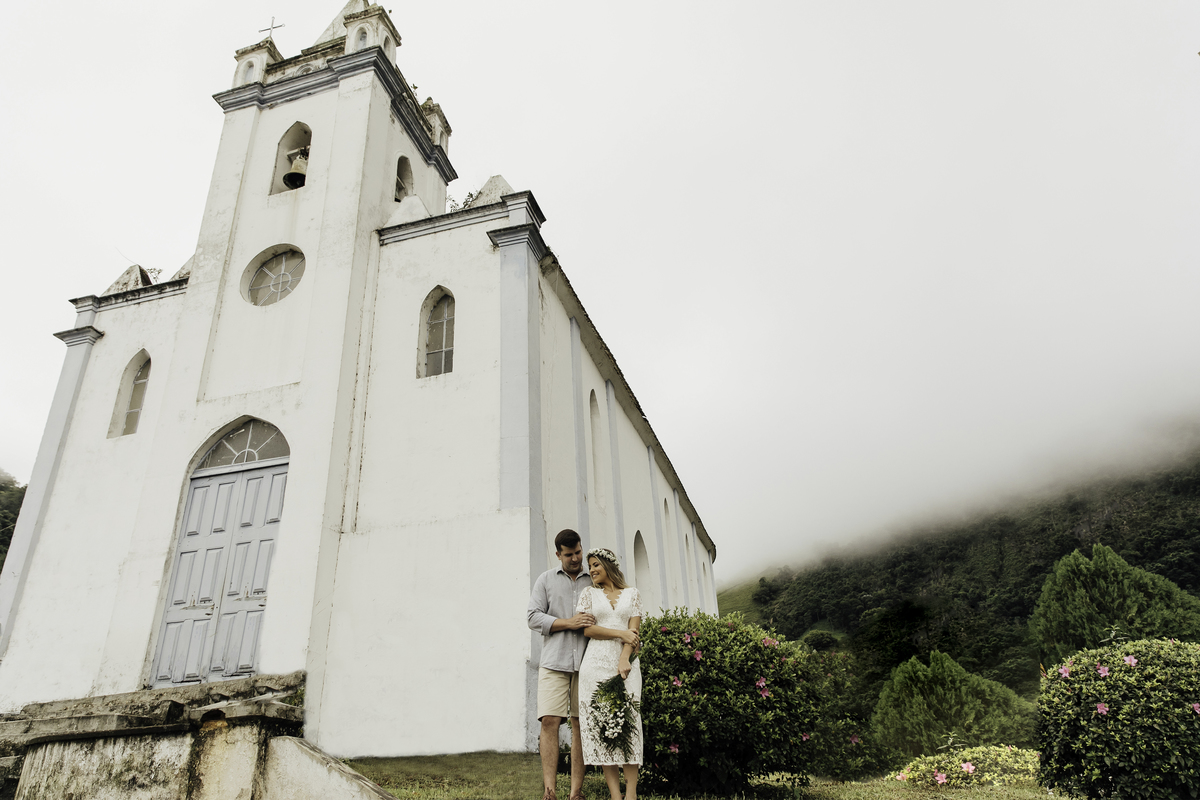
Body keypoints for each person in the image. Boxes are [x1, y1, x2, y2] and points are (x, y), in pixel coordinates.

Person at [527, 529, 596, 800]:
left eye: (578, 552)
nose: (576, 558)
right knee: (550, 721)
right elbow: (533, 617)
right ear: (558, 554)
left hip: (588, 662)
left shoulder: (594, 578)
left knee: (580, 724)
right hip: (554, 661)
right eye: (569, 555)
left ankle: (576, 792)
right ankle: (550, 791)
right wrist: (569, 623)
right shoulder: (545, 580)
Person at [576, 547, 643, 800]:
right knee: (604, 727)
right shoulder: (588, 594)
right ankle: (615, 795)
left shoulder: (632, 594)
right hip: (595, 664)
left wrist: (624, 657)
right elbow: (588, 630)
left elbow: (634, 633)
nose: (591, 570)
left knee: (630, 724)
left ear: (608, 565)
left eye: (595, 565)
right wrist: (619, 633)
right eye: (589, 566)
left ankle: (631, 794)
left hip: (626, 666)